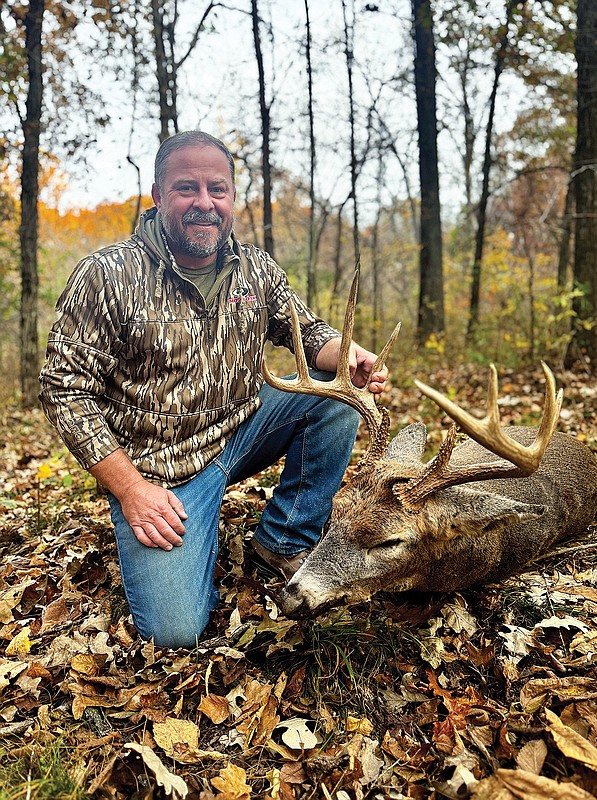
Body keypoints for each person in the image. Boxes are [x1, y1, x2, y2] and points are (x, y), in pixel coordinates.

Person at [39, 131, 388, 649]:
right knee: (175, 632)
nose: (205, 203)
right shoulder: (107, 275)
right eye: (187, 188)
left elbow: (305, 333)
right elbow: (64, 390)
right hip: (159, 469)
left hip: (241, 429)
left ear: (231, 198)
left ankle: (283, 539)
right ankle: (174, 523)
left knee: (337, 400)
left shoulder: (255, 269)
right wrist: (131, 489)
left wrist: (348, 353)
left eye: (217, 189)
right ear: (158, 197)